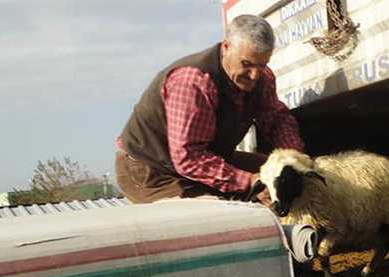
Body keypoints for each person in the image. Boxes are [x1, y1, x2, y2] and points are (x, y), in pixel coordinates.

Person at [115, 14, 304, 205]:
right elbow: (188, 157)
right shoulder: (193, 83)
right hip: (151, 169)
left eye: (262, 65)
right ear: (226, 47)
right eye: (246, 64)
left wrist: (293, 159)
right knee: (213, 213)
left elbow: (276, 120)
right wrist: (249, 181)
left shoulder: (263, 78)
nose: (254, 75)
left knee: (282, 178)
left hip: (208, 157)